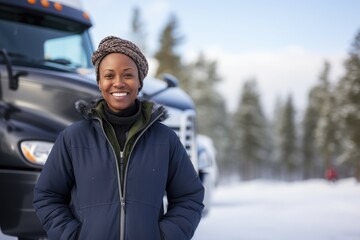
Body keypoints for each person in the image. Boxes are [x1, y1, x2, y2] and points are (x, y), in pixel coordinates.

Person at [33, 36, 204, 240]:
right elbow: (47, 195)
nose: (118, 83)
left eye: (128, 75)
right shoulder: (73, 138)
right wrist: (71, 236)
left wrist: (166, 236)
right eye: (109, 75)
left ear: (140, 81)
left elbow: (189, 196)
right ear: (99, 82)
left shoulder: (165, 139)